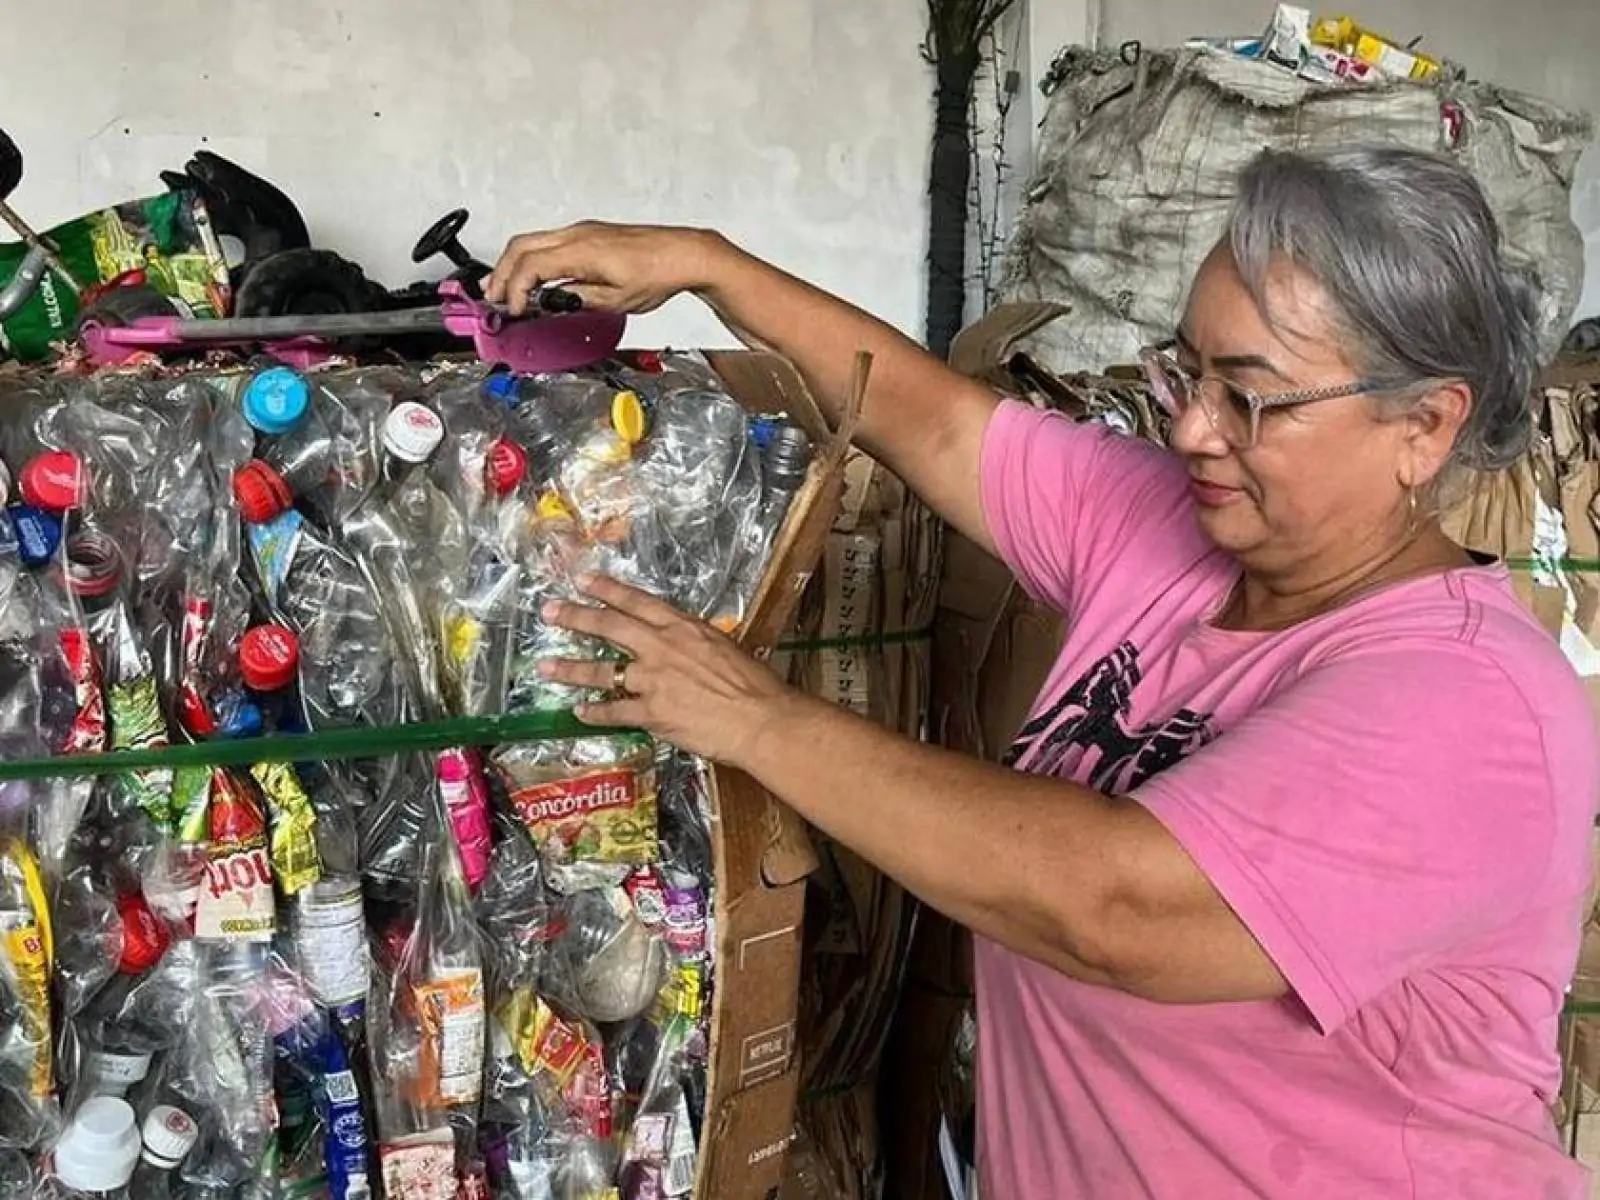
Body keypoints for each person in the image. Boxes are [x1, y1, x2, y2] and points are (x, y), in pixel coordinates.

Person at [487, 146, 1599, 1198]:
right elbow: (926, 420)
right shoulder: (1173, 532)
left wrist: (754, 719)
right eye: (1187, 372)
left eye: (1250, 396)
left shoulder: (1470, 707)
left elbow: (1111, 907)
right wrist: (705, 264)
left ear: (1423, 425)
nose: (1195, 432)